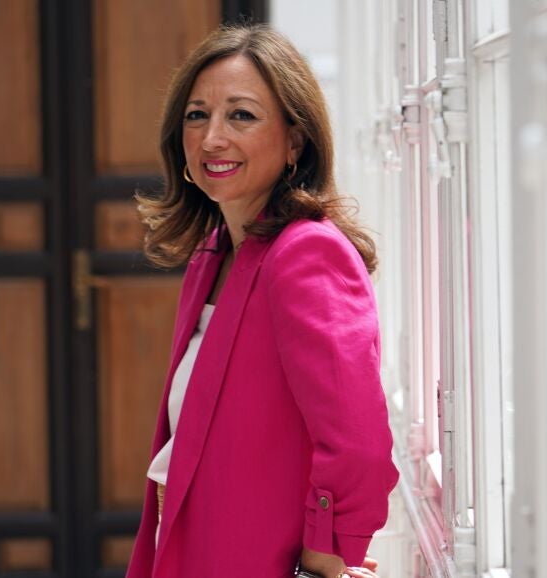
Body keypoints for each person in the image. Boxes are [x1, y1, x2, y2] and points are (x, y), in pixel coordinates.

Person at [125, 23, 399, 578]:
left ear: (295, 140)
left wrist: (321, 565)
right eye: (197, 115)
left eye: (241, 115)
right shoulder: (212, 257)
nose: (212, 138)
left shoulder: (306, 253)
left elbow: (357, 440)